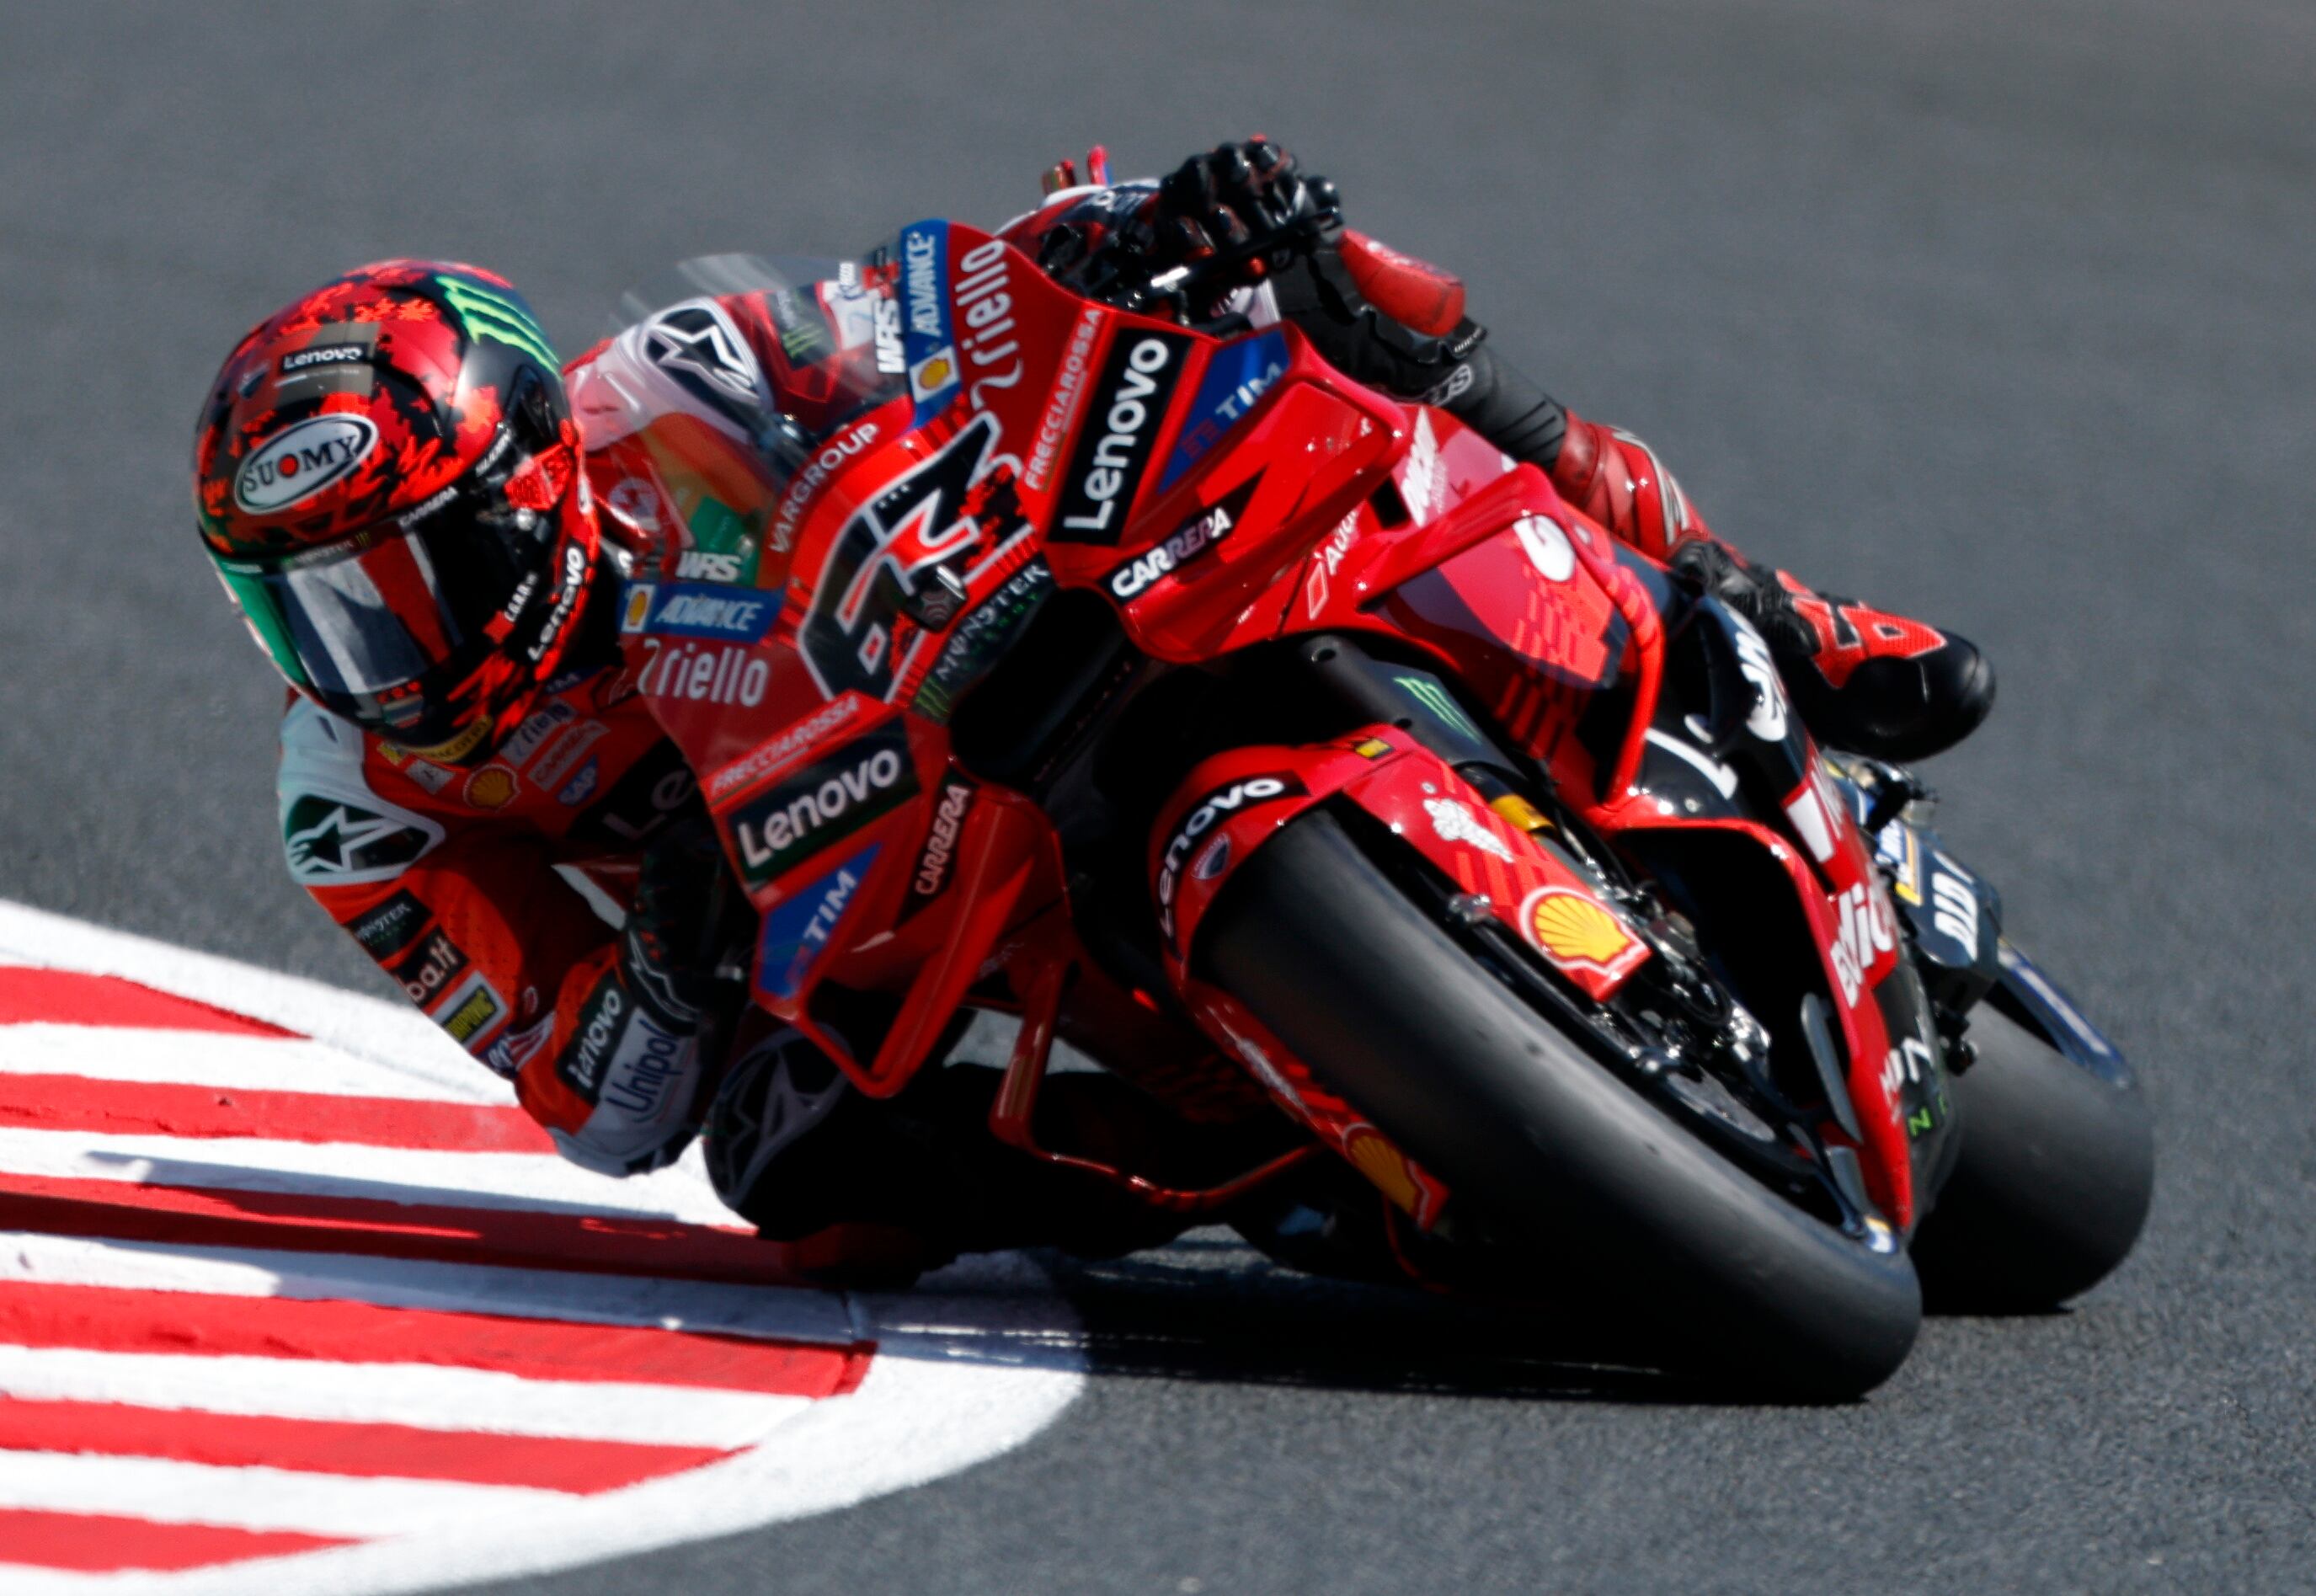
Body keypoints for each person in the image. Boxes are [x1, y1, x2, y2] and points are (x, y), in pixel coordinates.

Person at [190, 140, 1990, 1281]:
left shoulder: (668, 393)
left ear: (528, 483)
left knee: (1339, 316)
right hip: (859, 908)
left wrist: (1120, 239)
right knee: (799, 1184)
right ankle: (1276, 1173)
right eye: (310, 605)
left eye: (412, 572)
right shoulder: (362, 808)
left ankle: (1768, 615)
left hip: (964, 651)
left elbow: (911, 320)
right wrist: (669, 955)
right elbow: (606, 1114)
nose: (378, 644)